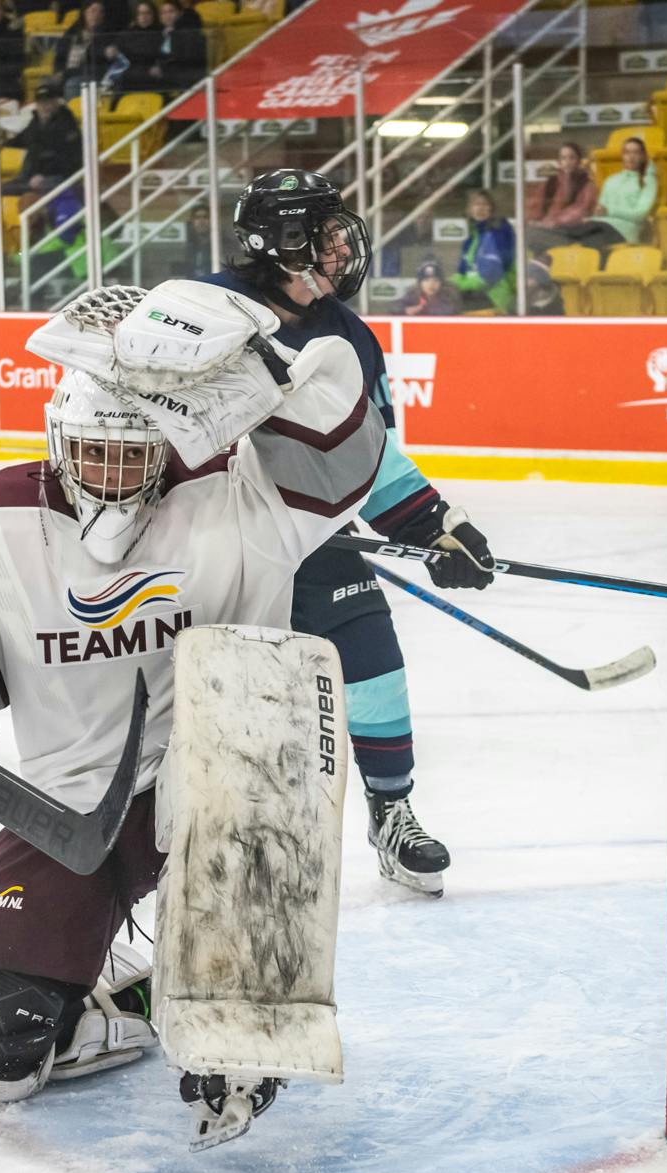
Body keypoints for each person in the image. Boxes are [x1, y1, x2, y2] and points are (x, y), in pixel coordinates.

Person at [0, 277, 385, 1136]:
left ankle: (214, 1002)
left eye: (133, 457)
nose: (113, 474)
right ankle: (111, 990)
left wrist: (267, 364)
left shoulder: (241, 497)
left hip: (225, 806)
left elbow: (348, 443)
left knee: (236, 1041)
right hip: (68, 807)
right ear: (57, 440)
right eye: (94, 453)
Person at [207, 170, 499, 894]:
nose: (342, 246)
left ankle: (391, 809)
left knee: (371, 648)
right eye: (323, 232)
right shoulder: (208, 312)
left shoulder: (351, 338)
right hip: (220, 537)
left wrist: (437, 527)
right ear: (277, 244)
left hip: (315, 537)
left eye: (340, 230)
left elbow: (367, 455)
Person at [522, 142, 597, 254]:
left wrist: (552, 222)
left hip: (571, 233)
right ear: (559, 162)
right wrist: (533, 221)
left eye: (572, 157)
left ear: (579, 161)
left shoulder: (586, 183)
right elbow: (537, 205)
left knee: (532, 236)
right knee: (526, 232)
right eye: (563, 158)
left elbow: (580, 210)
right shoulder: (551, 182)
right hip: (549, 230)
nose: (567, 162)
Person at [449, 187, 514, 313]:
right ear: (469, 209)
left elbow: (490, 275)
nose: (480, 209)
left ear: (492, 208)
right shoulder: (471, 237)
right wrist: (448, 284)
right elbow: (461, 271)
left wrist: (459, 285)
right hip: (474, 294)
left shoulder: (498, 231)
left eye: (485, 204)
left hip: (494, 296)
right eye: (476, 204)